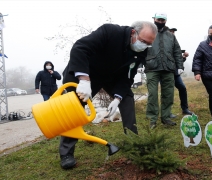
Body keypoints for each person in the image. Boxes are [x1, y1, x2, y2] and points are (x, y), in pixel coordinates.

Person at [59, 21, 157, 169]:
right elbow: (80, 48)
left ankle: (133, 143)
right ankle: (66, 153)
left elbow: (128, 77)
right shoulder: (110, 32)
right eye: (143, 41)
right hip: (87, 72)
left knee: (127, 99)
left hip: (112, 78)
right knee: (75, 108)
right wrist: (84, 79)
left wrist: (117, 98)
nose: (144, 46)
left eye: (148, 44)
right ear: (133, 32)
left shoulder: (141, 52)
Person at [139, 13, 184, 129]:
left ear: (166, 21)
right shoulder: (148, 33)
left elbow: (177, 52)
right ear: (154, 19)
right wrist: (140, 64)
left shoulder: (171, 36)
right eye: (158, 19)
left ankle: (166, 117)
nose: (160, 22)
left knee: (168, 94)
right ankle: (152, 119)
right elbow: (140, 49)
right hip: (152, 68)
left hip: (168, 68)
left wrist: (180, 66)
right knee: (153, 94)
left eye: (163, 20)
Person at [167, 27, 193, 118]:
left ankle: (185, 109)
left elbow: (178, 61)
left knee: (182, 88)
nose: (173, 33)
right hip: (166, 73)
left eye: (174, 32)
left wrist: (184, 57)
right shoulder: (163, 45)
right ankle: (167, 112)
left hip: (175, 73)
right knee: (167, 92)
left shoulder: (175, 45)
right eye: (171, 32)